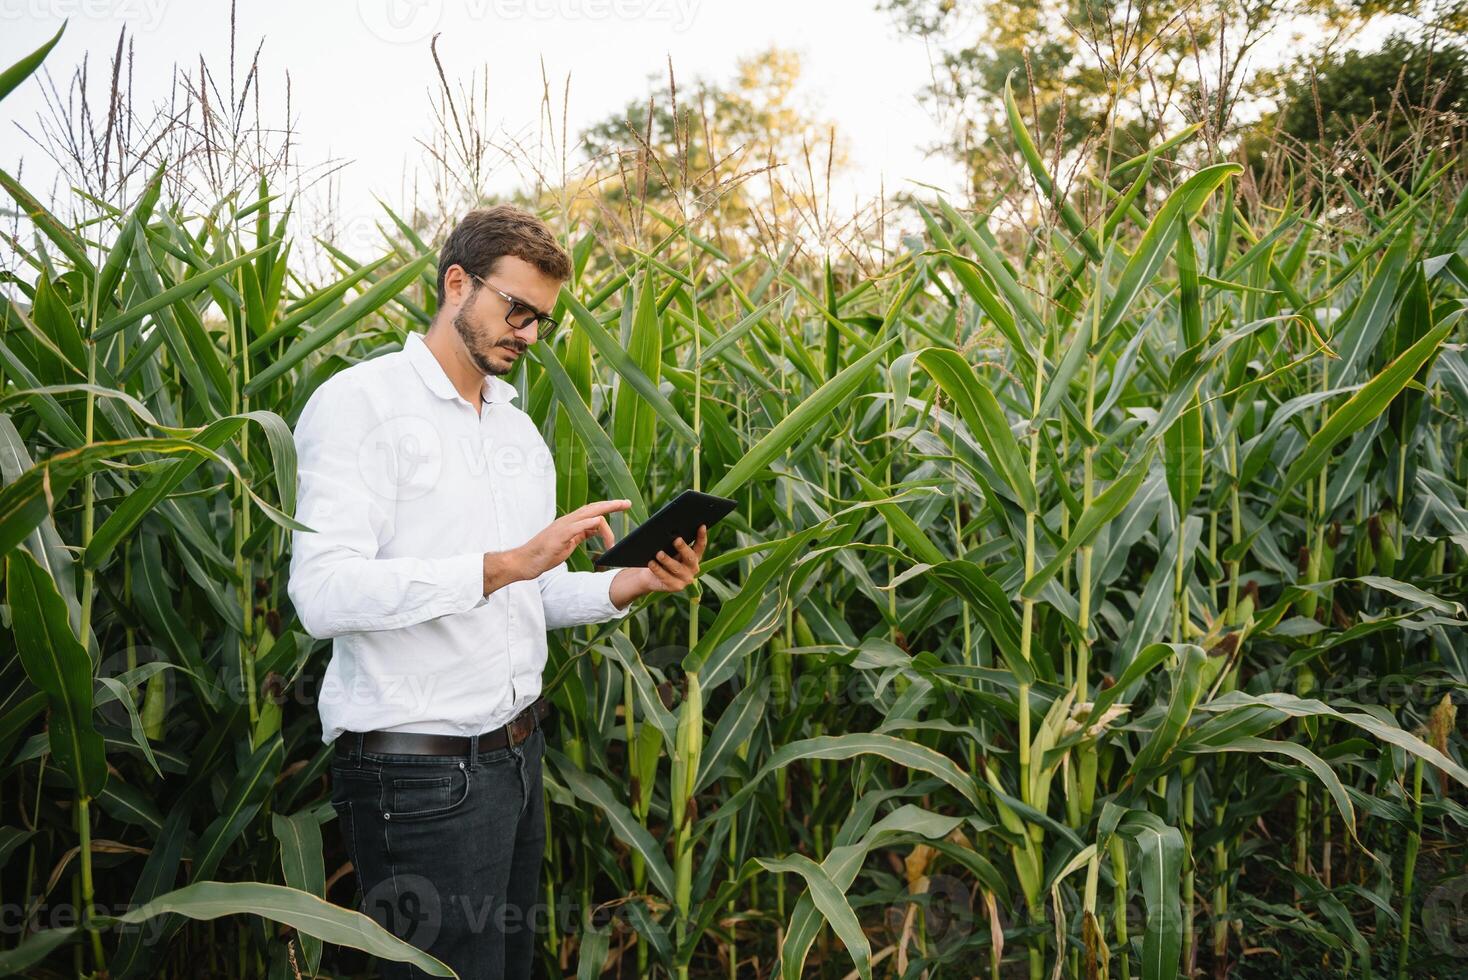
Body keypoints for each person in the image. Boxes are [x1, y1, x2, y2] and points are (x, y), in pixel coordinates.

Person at [287, 204, 707, 979]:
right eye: (517, 310)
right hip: (417, 776)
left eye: (542, 319)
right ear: (456, 283)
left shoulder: (516, 431)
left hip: (515, 759)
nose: (530, 334)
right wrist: (507, 563)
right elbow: (322, 594)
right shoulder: (360, 405)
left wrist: (630, 583)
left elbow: (528, 597)